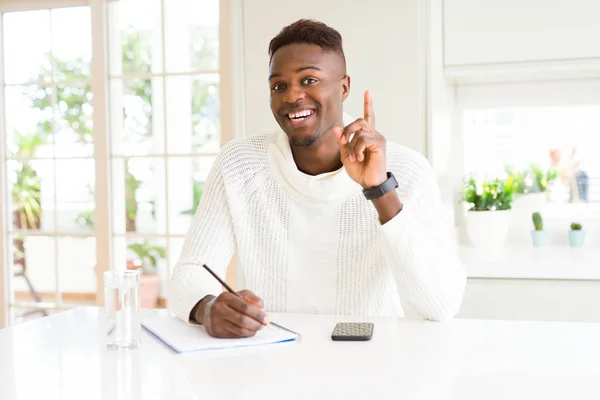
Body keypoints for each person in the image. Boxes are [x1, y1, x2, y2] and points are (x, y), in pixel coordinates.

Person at [169, 19, 466, 338]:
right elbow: (189, 274)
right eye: (278, 86)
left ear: (344, 87)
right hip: (273, 360)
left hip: (372, 365)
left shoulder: (407, 170)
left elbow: (441, 304)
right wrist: (207, 307)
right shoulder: (239, 164)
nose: (292, 96)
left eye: (309, 80)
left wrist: (379, 189)